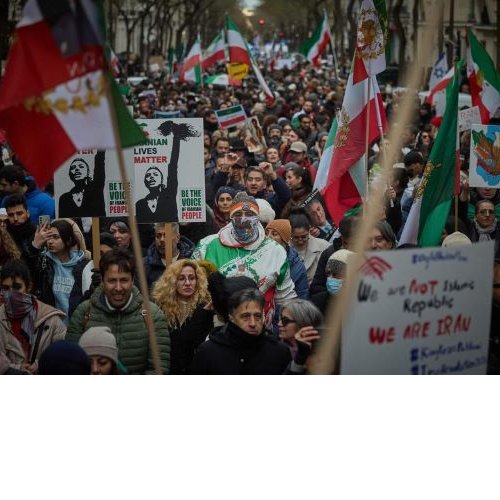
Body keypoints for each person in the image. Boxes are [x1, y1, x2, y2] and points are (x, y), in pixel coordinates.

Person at [193, 193, 297, 327]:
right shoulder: (206, 245)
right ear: (230, 217)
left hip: (259, 329)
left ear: (257, 217)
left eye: (249, 214)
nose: (243, 219)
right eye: (238, 214)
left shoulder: (275, 251)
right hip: (218, 328)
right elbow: (192, 290)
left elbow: (286, 297)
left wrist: (289, 325)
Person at [66, 247, 171, 374]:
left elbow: (158, 369)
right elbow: (72, 366)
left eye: (124, 280)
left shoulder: (152, 315)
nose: (118, 288)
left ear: (132, 280)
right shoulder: (83, 313)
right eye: (112, 280)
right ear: (102, 280)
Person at [190, 288, 291, 375]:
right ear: (231, 317)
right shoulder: (208, 352)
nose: (253, 323)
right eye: (245, 316)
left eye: (257, 316)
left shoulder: (279, 351)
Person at [0, 258, 66, 374]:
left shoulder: (52, 320)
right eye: (6, 288)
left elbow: (62, 358)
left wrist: (40, 365)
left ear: (29, 286)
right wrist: (16, 369)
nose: (11, 294)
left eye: (16, 287)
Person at [153, 259, 213, 374]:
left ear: (197, 281)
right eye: (181, 278)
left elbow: (197, 343)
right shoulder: (161, 308)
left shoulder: (205, 308)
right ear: (173, 282)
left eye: (192, 278)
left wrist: (202, 314)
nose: (187, 283)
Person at [28, 219, 93, 321]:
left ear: (68, 240)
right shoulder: (44, 262)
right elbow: (26, 272)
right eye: (48, 237)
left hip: (75, 323)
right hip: (51, 324)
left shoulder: (83, 265)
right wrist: (34, 246)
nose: (50, 241)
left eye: (56, 237)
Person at [135, 120, 200, 222]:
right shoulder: (139, 204)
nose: (151, 177)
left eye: (155, 174)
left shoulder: (169, 193)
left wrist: (176, 138)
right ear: (145, 181)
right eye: (148, 175)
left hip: (171, 231)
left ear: (162, 179)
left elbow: (173, 165)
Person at [265, 219, 309, 299]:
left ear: (284, 240)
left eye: (274, 234)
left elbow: (302, 296)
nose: (268, 237)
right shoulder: (256, 257)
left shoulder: (297, 266)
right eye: (266, 233)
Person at [143, 222, 194, 289]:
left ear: (178, 237)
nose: (162, 240)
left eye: (167, 235)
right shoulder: (145, 265)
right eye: (158, 236)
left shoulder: (192, 261)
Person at [278, 299, 322, 373]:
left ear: (302, 322)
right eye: (280, 319)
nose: (279, 324)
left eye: (285, 320)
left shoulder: (322, 351)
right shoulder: (276, 349)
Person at [289, 209, 330, 285]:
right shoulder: (283, 249)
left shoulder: (324, 246)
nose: (300, 241)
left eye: (304, 237)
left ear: (309, 230)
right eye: (296, 237)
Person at [58, 151, 106, 217]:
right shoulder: (64, 198)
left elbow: (99, 163)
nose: (77, 169)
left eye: (81, 166)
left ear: (87, 172)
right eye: (73, 167)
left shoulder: (95, 188)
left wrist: (101, 148)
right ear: (70, 174)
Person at [310, 249, 354, 315]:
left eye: (335, 275)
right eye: (328, 274)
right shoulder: (317, 302)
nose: (330, 279)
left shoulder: (361, 305)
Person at [4, 194, 36, 260]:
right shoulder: (4, 236)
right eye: (11, 215)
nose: (15, 218)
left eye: (19, 214)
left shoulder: (37, 234)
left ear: (28, 213)